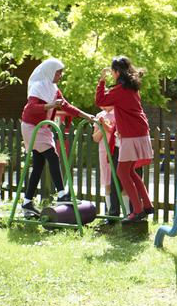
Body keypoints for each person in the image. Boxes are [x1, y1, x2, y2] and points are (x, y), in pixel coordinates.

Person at [20, 58, 91, 217]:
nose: (60, 75)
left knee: (38, 164)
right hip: (32, 127)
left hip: (42, 127)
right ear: (50, 71)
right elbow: (31, 108)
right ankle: (61, 195)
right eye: (58, 72)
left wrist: (87, 116)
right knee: (52, 157)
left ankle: (27, 203)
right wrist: (51, 105)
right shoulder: (38, 86)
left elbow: (65, 105)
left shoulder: (53, 88)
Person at [96, 56, 155, 223]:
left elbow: (100, 101)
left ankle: (137, 210)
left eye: (113, 72)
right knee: (129, 171)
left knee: (122, 172)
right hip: (140, 132)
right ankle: (147, 205)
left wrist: (101, 81)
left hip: (131, 135)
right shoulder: (132, 88)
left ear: (116, 72)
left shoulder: (119, 91)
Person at [92, 106, 127, 217]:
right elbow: (95, 138)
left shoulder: (120, 113)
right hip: (104, 152)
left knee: (123, 185)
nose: (103, 106)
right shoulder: (99, 115)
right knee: (107, 183)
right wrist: (102, 126)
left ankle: (127, 213)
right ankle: (110, 213)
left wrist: (107, 126)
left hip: (118, 151)